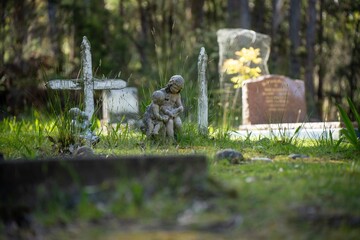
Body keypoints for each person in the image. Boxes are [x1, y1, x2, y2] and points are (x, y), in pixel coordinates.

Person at [159, 75, 184, 140]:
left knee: (178, 123)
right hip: (163, 113)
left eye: (177, 89)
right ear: (170, 84)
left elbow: (180, 105)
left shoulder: (177, 95)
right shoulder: (162, 92)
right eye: (174, 87)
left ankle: (179, 138)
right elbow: (157, 104)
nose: (175, 90)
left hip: (173, 113)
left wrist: (180, 108)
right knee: (170, 122)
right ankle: (170, 139)